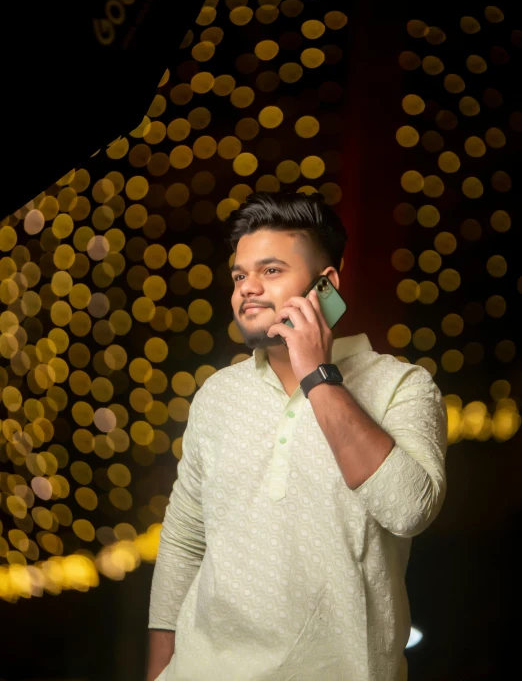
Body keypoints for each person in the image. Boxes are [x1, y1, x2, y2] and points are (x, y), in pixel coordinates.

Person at [147, 191, 447, 681]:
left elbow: (409, 509)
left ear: (325, 285)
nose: (247, 288)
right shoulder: (216, 395)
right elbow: (183, 541)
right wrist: (160, 672)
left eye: (270, 271)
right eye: (240, 275)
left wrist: (318, 377)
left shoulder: (403, 386)